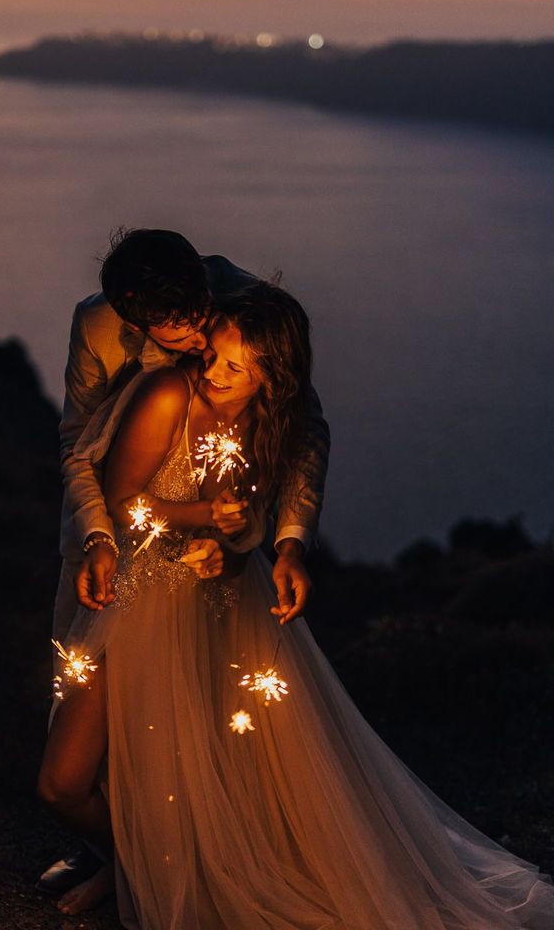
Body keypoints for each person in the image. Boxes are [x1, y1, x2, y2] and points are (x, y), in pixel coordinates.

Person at [38, 280, 554, 927]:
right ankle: (130, 856)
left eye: (234, 365)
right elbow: (120, 496)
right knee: (61, 782)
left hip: (227, 613)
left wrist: (275, 547)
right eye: (214, 355)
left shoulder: (275, 419)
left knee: (225, 774)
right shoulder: (169, 388)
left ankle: (158, 866)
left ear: (271, 377)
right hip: (139, 601)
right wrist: (200, 516)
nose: (212, 369)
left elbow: (282, 481)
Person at [38, 228, 330, 897]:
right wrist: (98, 539)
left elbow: (301, 429)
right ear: (135, 313)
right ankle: (110, 849)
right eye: (175, 327)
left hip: (216, 568)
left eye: (200, 313)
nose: (198, 338)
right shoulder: (100, 328)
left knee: (201, 724)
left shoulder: (248, 313)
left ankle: (167, 860)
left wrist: (284, 540)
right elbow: (78, 446)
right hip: (115, 541)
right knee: (83, 703)